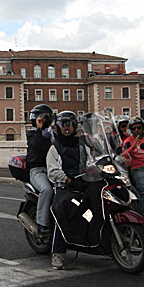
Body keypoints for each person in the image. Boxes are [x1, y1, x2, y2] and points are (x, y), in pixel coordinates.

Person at [45, 110, 87, 270]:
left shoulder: (82, 145)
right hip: (64, 187)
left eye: (70, 125)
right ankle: (57, 252)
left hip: (83, 183)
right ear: (59, 127)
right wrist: (69, 180)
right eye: (64, 125)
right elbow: (53, 172)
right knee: (62, 213)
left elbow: (90, 161)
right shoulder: (55, 148)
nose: (67, 128)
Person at [26, 104, 55, 236]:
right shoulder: (32, 135)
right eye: (39, 118)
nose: (42, 120)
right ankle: (42, 223)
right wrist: (39, 129)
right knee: (46, 189)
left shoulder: (54, 135)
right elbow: (36, 146)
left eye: (44, 118)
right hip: (38, 170)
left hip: (54, 170)